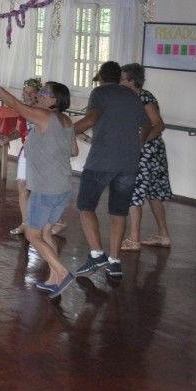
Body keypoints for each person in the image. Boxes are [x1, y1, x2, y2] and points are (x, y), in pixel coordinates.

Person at [0, 63, 79, 298]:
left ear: (54, 100)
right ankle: (54, 277)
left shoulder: (45, 116)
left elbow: (16, 105)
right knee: (45, 234)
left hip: (46, 189)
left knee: (32, 235)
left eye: (44, 93)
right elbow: (74, 151)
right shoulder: (65, 120)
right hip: (62, 187)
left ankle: (62, 272)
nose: (39, 95)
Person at [73, 61, 151, 280]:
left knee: (85, 205)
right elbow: (147, 125)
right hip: (128, 162)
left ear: (102, 78)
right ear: (119, 77)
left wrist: (64, 131)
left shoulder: (100, 93)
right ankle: (115, 262)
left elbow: (90, 120)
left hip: (101, 161)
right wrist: (139, 143)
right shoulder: (133, 97)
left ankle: (97, 254)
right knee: (119, 211)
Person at [120, 63, 173, 250]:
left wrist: (140, 143)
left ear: (131, 81)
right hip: (150, 152)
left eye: (122, 79)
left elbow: (158, 124)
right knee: (153, 193)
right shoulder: (132, 97)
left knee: (134, 192)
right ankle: (163, 235)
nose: (119, 82)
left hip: (146, 153)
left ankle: (134, 239)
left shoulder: (143, 97)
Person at [0, 77, 43, 236]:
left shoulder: (46, 110)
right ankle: (25, 223)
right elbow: (19, 131)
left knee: (41, 189)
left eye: (31, 93)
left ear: (38, 94)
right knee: (22, 186)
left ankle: (51, 222)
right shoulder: (23, 111)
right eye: (25, 93)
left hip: (43, 154)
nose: (27, 96)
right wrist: (7, 137)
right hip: (27, 151)